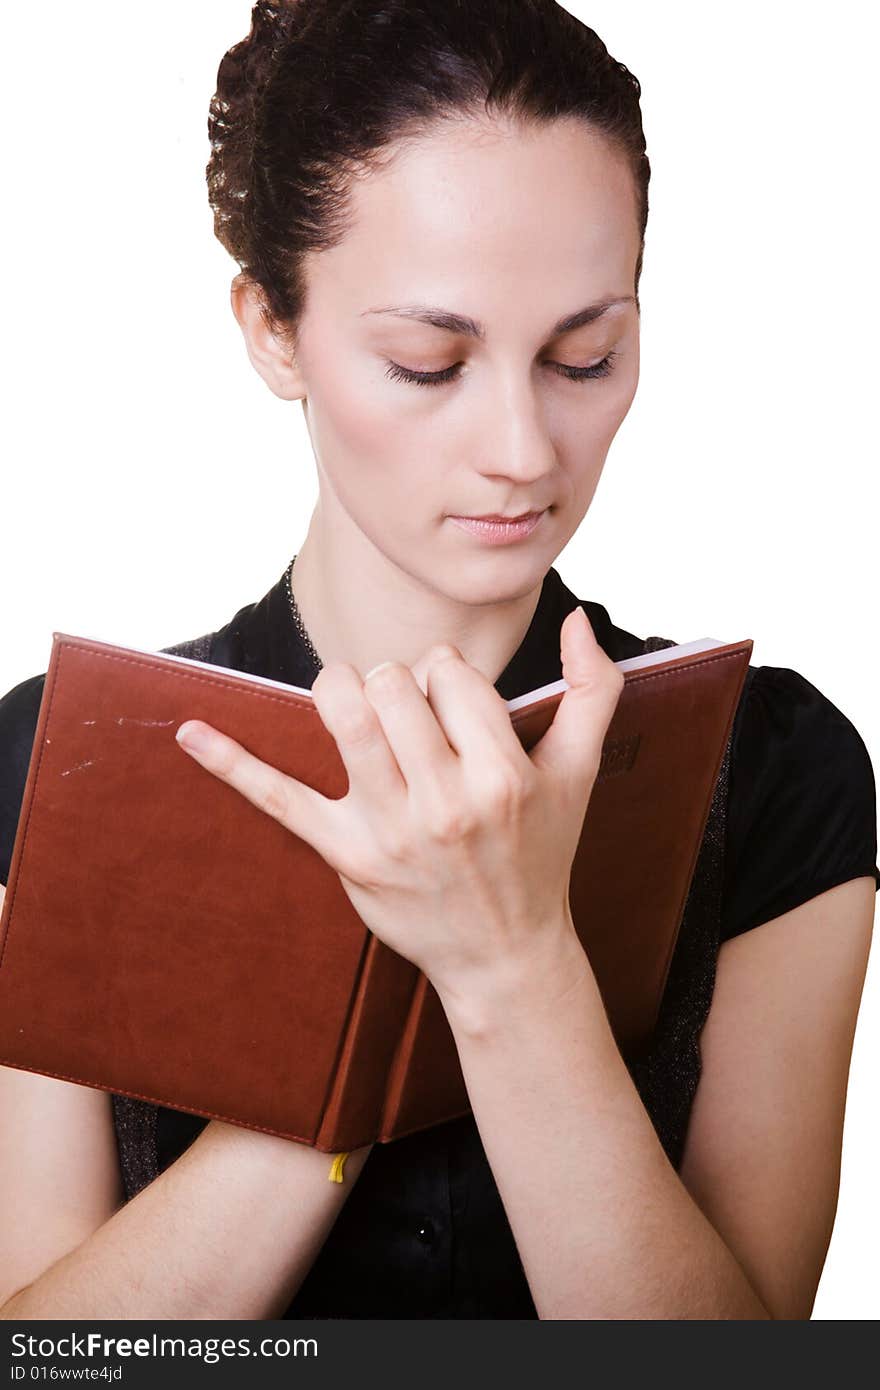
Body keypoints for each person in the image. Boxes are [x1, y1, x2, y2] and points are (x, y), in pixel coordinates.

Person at [0, 0, 877, 1322]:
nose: (524, 445)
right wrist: (389, 1008)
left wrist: (514, 968)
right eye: (429, 360)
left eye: (587, 352)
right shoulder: (66, 753)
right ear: (272, 328)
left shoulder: (778, 765)